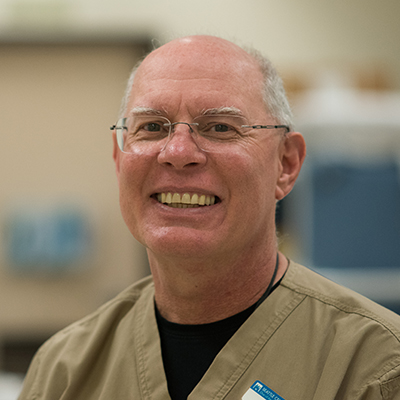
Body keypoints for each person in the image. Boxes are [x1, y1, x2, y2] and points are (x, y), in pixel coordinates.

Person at [18, 35, 400, 400]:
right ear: (119, 161)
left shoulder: (376, 367)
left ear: (286, 164)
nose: (178, 151)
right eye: (151, 126)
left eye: (219, 127)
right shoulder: (62, 371)